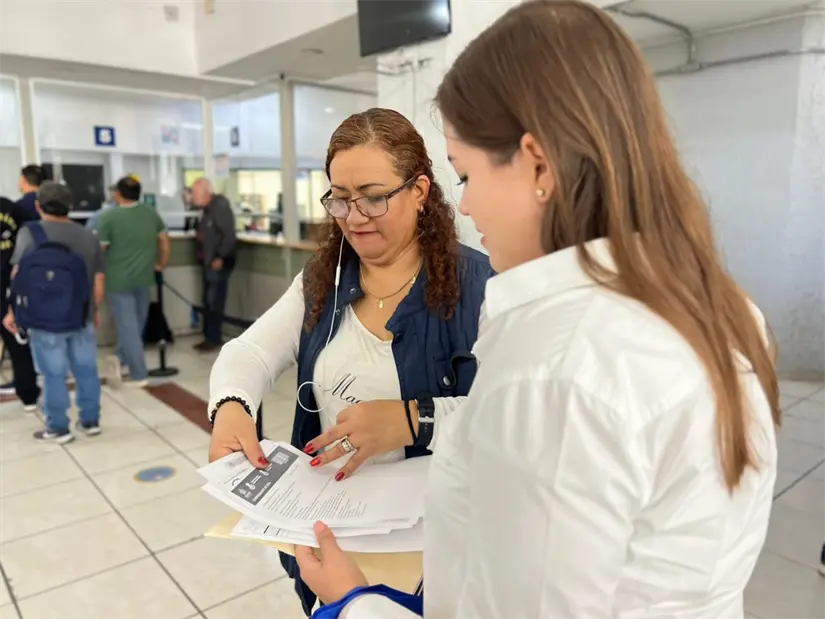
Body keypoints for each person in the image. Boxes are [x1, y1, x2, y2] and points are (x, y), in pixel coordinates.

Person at [293, 2, 781, 618]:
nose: (464, 208)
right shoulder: (715, 304)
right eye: (342, 199)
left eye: (466, 175)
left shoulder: (558, 368)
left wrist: (355, 603)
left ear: (538, 164)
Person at [207, 107, 494, 614]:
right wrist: (231, 405)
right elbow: (248, 352)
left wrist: (414, 420)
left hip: (431, 549)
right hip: (330, 536)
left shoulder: (479, 288)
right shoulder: (324, 279)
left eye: (375, 198)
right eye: (340, 200)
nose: (355, 217)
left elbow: (513, 421)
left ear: (420, 192)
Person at [3, 182, 105, 444]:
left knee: (52, 374)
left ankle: (58, 428)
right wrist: (93, 310)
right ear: (70, 206)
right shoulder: (88, 236)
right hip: (81, 316)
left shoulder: (30, 233)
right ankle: (90, 421)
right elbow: (98, 282)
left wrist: (12, 312)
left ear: (38, 206)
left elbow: (17, 278)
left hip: (43, 319)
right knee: (86, 370)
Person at [97, 175, 170, 388]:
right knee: (135, 326)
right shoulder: (151, 214)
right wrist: (161, 264)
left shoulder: (108, 218)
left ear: (118, 194)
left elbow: (101, 249)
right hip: (144, 278)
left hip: (118, 281)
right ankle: (120, 358)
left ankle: (139, 374)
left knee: (129, 328)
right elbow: (165, 241)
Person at [0, 196, 40, 409]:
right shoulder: (11, 207)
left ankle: (28, 392)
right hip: (10, 280)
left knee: (16, 338)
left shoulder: (12, 208)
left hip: (9, 280)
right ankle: (29, 395)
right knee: (17, 339)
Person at [191, 177, 236, 351]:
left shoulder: (220, 208)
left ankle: (213, 337)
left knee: (214, 300)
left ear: (206, 192)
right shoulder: (206, 210)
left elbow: (229, 236)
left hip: (217, 263)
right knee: (208, 300)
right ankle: (209, 336)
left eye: (195, 193)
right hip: (207, 262)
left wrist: (220, 257)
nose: (193, 197)